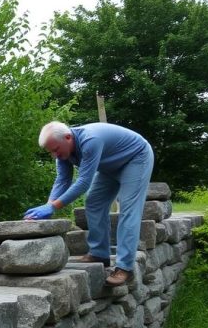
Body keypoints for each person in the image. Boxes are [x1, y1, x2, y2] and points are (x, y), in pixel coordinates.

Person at [24, 121, 154, 287]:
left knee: (128, 209)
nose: (54, 155)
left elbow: (84, 182)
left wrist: (53, 206)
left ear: (68, 137)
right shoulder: (63, 152)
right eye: (50, 152)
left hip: (136, 158)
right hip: (110, 166)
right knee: (93, 202)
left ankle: (124, 268)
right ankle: (100, 253)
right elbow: (62, 180)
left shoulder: (91, 140)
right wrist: (48, 205)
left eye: (55, 150)